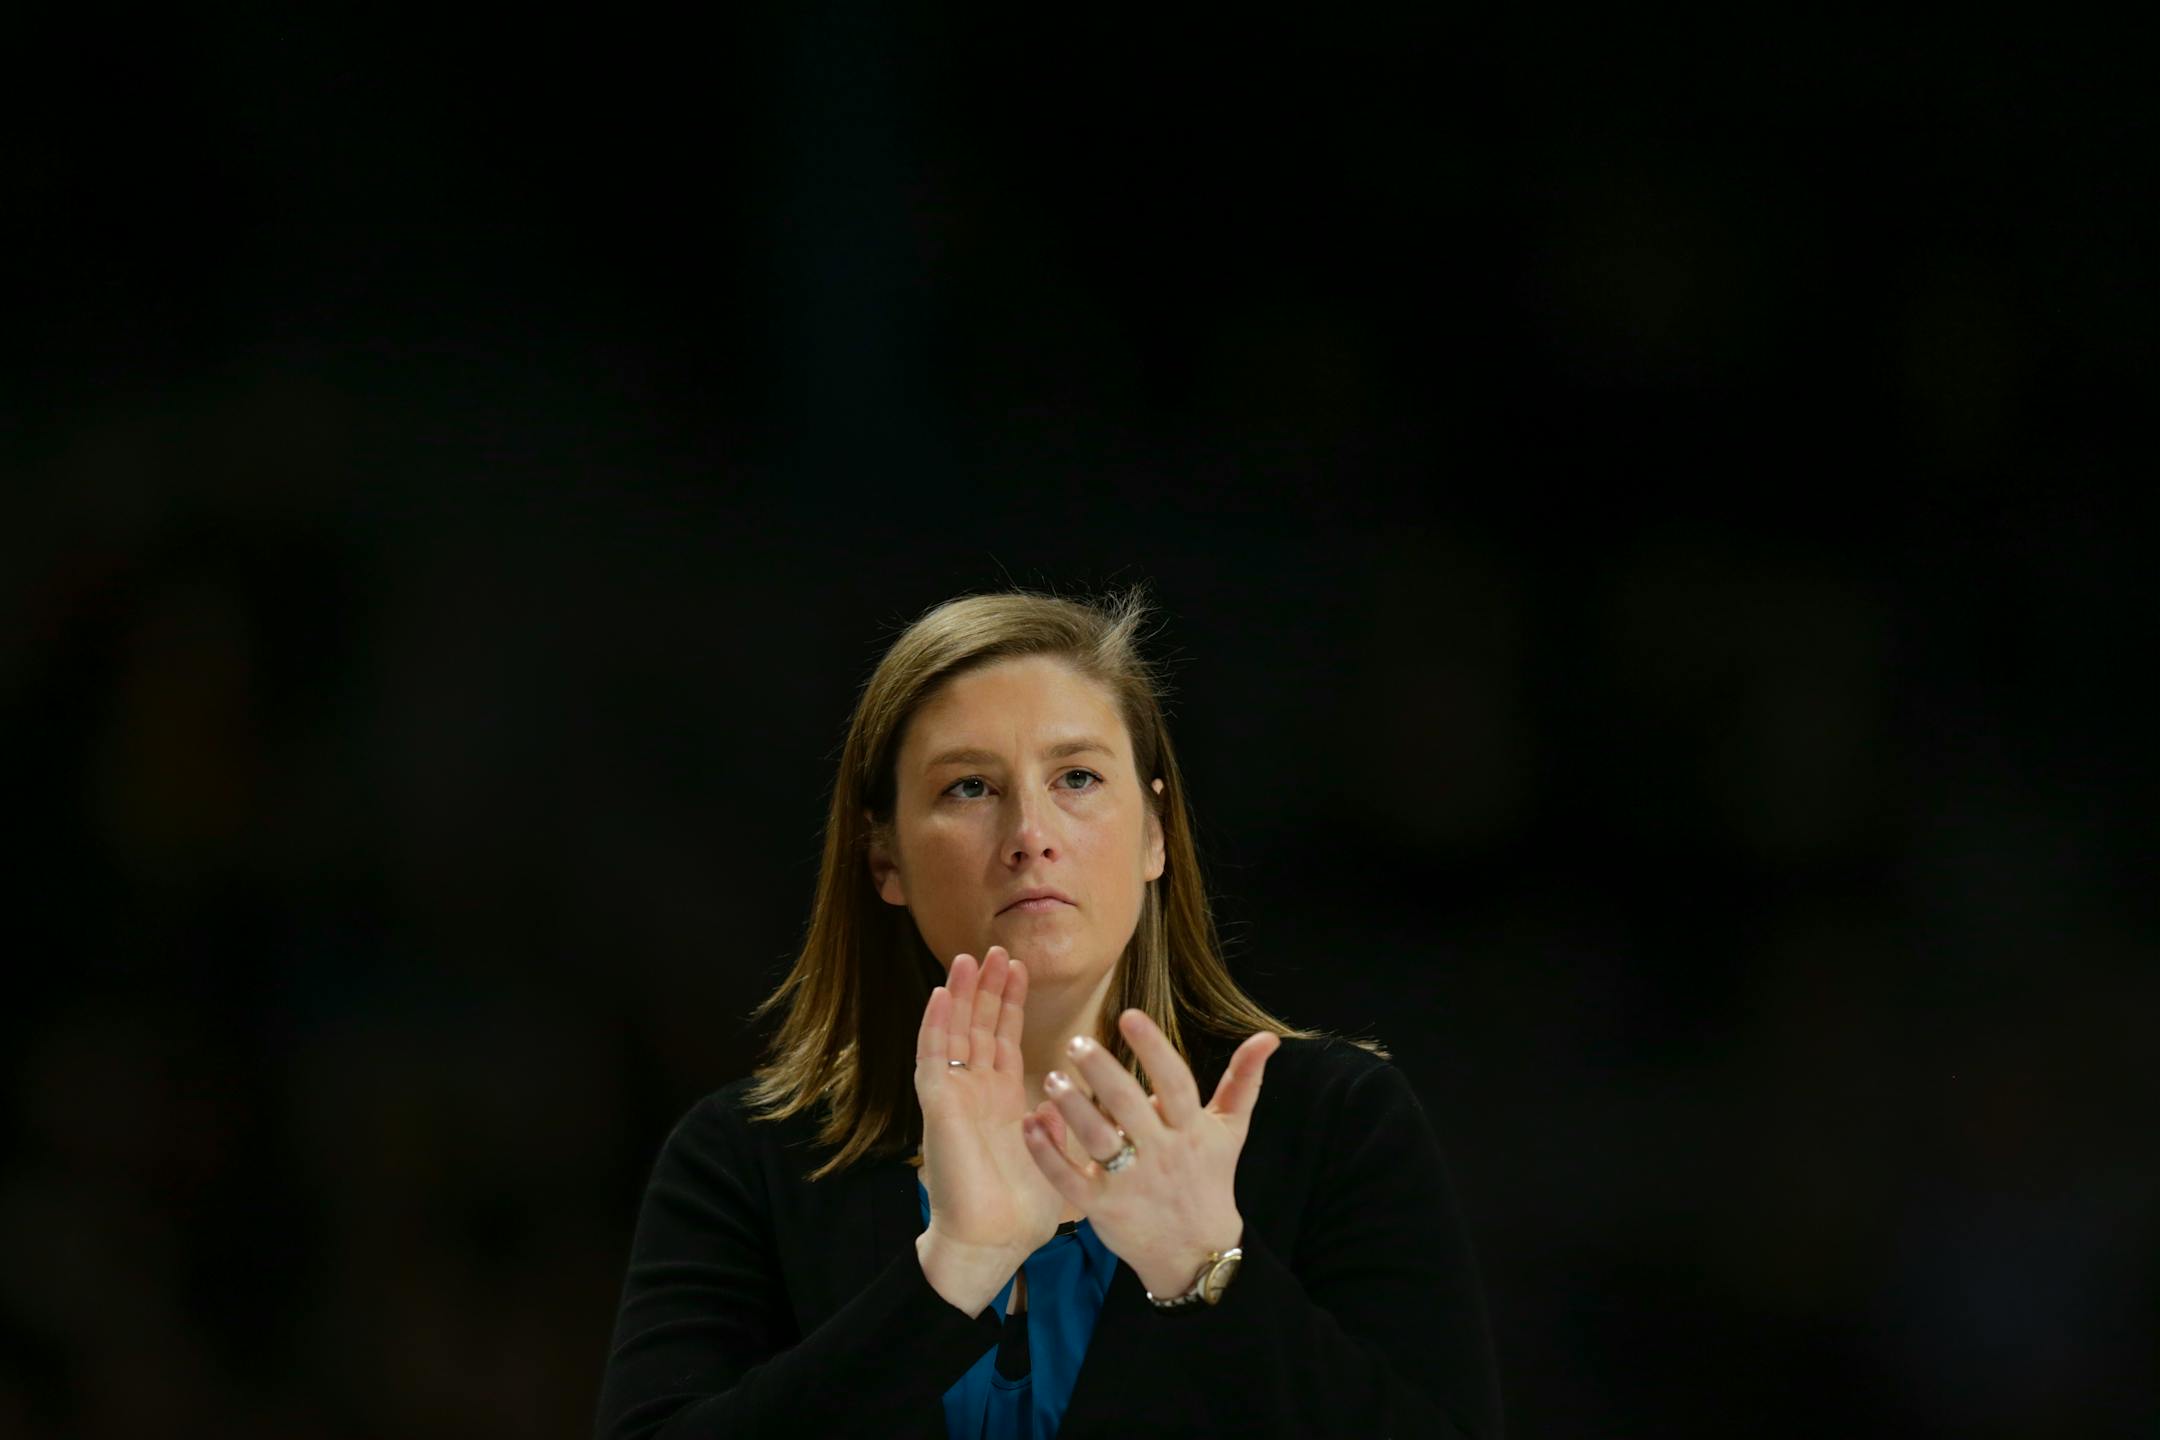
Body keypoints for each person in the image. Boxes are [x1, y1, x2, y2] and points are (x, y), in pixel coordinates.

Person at [593, 588, 1501, 1439]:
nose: (1031, 834)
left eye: (1077, 777)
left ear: (1155, 835)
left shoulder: (1335, 1121)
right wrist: (953, 1271)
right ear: (885, 860)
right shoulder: (744, 1159)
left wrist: (1205, 1268)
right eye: (969, 787)